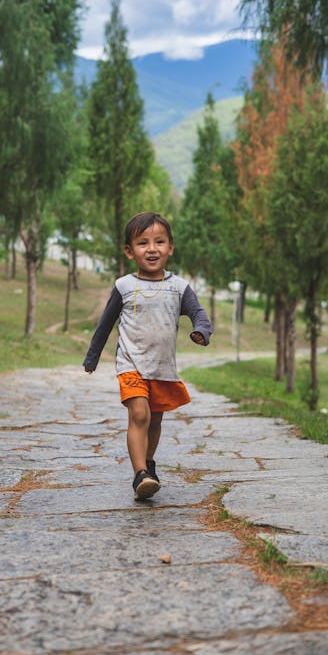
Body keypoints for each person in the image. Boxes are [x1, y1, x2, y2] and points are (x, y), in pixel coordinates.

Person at [83, 211, 213, 500]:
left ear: (170, 247)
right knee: (139, 415)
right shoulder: (124, 286)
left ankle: (149, 466)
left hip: (162, 367)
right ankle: (140, 473)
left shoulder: (178, 287)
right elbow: (105, 324)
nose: (152, 249)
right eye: (143, 243)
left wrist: (202, 331)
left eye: (159, 242)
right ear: (130, 251)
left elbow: (199, 314)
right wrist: (92, 357)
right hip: (130, 364)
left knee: (155, 421)